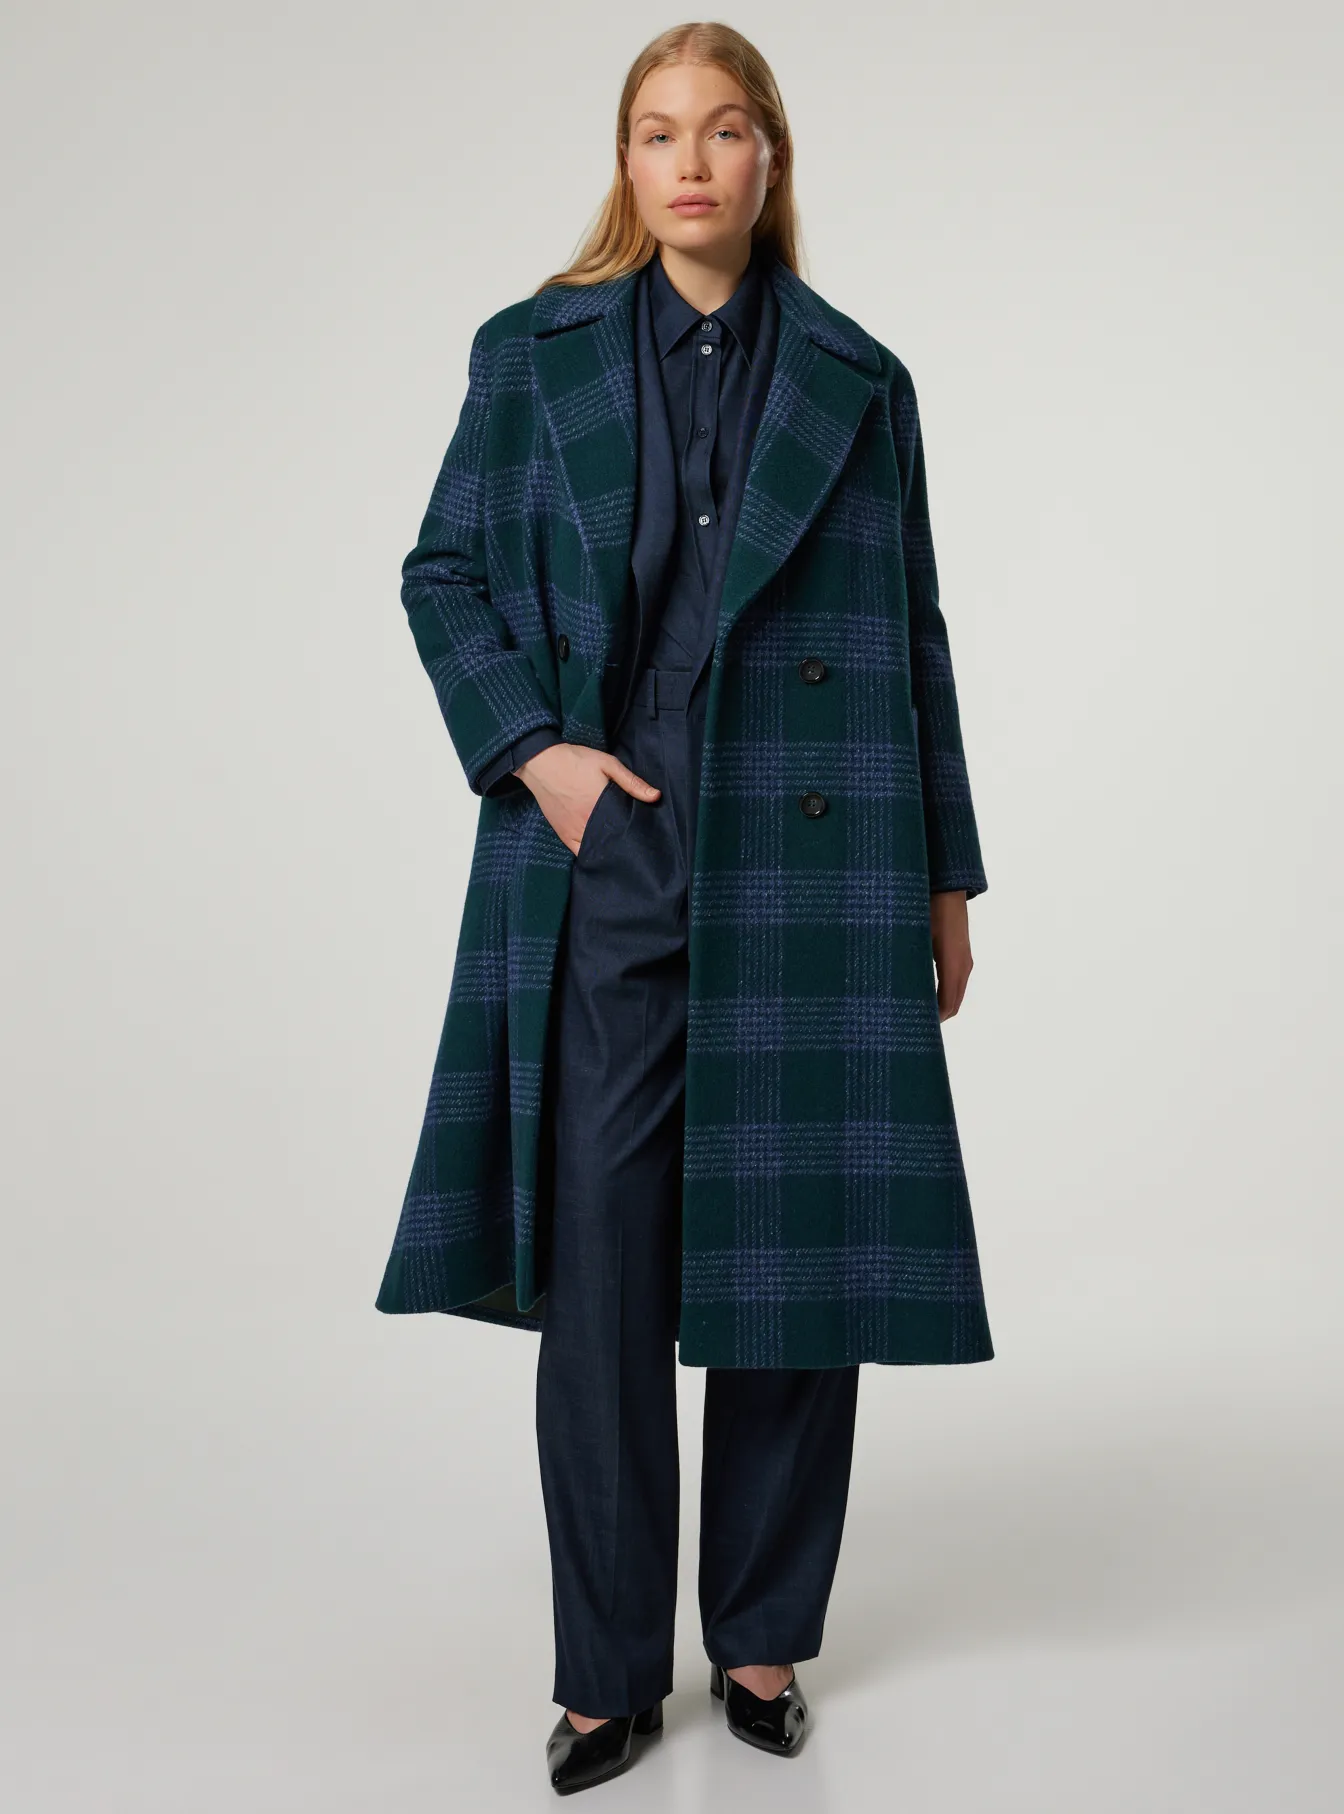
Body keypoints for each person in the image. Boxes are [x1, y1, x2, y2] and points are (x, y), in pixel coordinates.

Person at [375, 21, 994, 1796]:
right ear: (627, 165)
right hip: (612, 852)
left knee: (789, 1262)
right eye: (659, 134)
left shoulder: (861, 379)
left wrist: (946, 873)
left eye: (724, 131)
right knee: (604, 1269)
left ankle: (761, 1637)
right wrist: (538, 757)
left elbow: (915, 633)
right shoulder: (532, 353)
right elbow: (440, 572)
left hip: (814, 861)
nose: (693, 162)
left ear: (769, 156)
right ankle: (602, 1673)